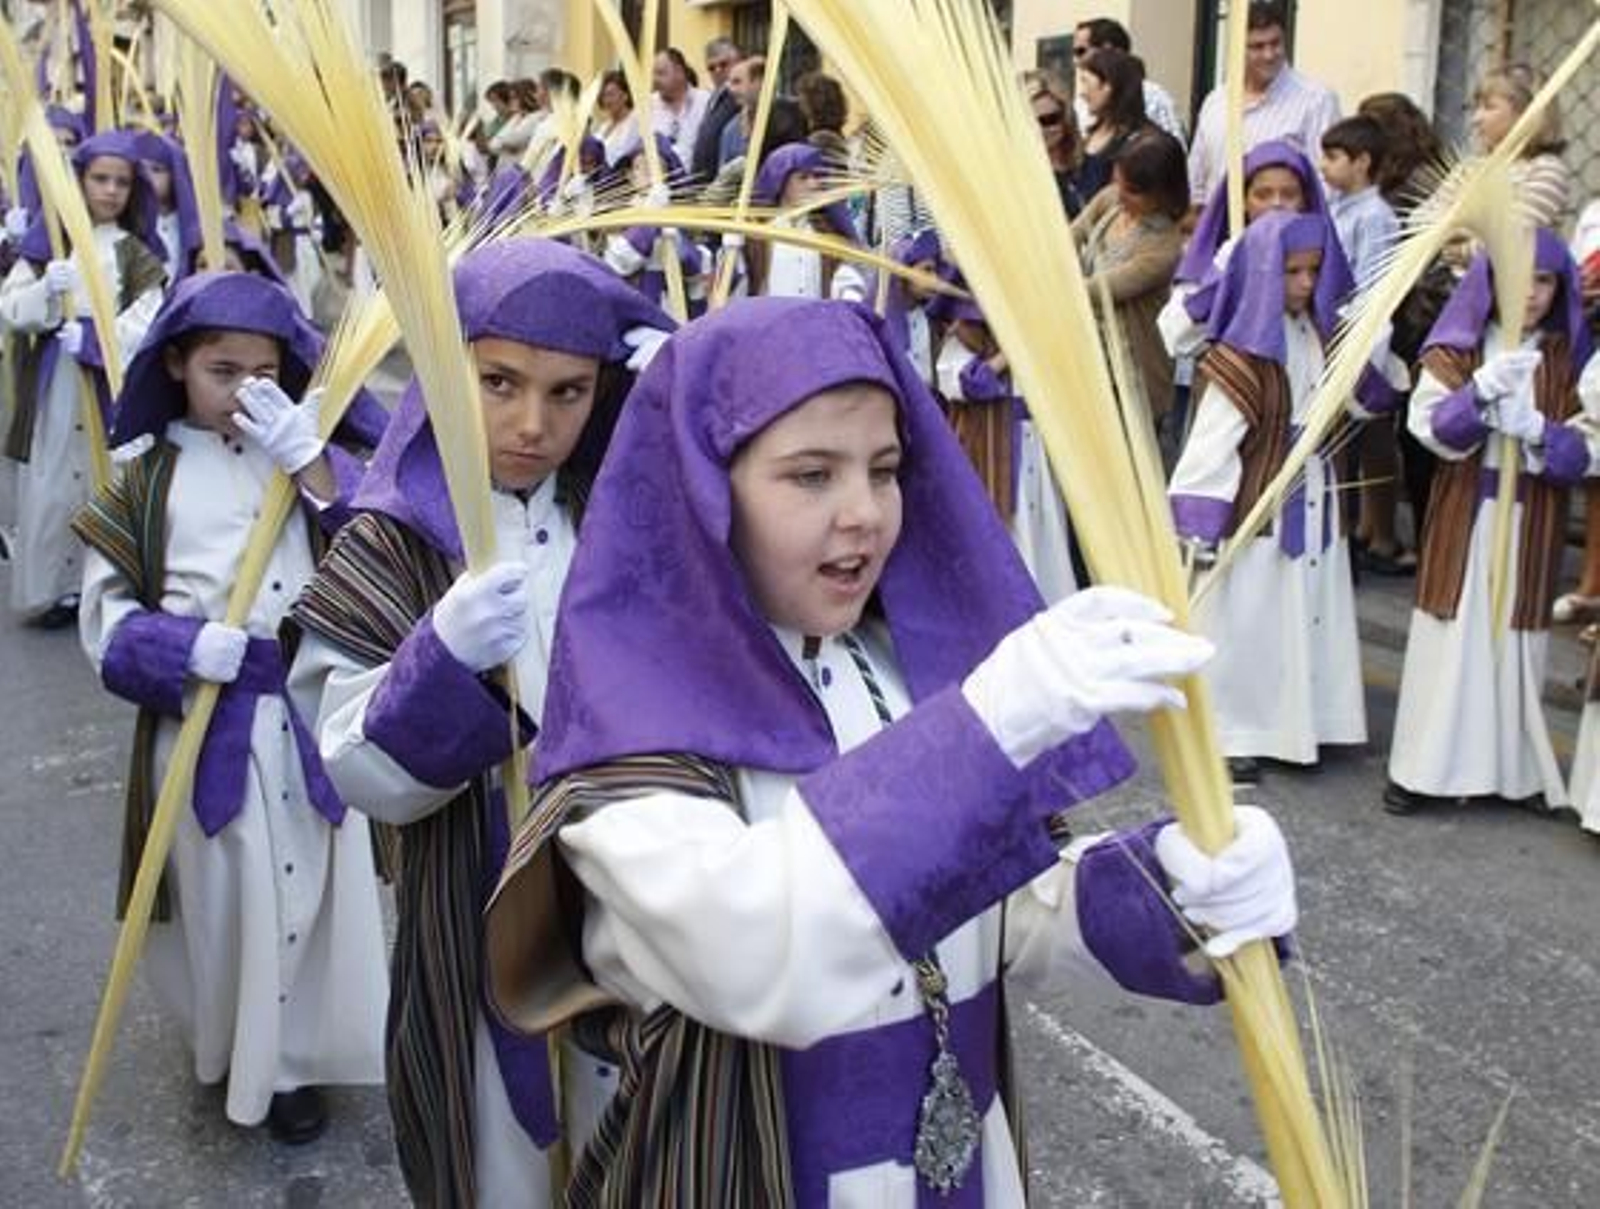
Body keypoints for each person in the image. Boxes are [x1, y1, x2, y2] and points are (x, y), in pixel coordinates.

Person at [481, 296, 1296, 1206]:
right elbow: (759, 950)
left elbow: (995, 913)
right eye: (810, 476)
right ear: (703, 491)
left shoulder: (897, 673)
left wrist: (1170, 887)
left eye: (885, 468)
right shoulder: (635, 737)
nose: (864, 513)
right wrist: (989, 728)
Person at [289, 239, 676, 1206]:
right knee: (494, 1153)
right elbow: (350, 764)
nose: (531, 423)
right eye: (498, 382)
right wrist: (438, 659)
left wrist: (692, 411)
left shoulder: (629, 513)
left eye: (569, 391)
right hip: (471, 902)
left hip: (633, 906)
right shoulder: (395, 534)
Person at [72, 270, 391, 1144]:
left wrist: (314, 464)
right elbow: (105, 622)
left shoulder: (302, 457)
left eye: (265, 372)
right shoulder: (144, 481)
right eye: (223, 370)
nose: (246, 392)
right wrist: (177, 649)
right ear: (176, 363)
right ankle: (231, 1047)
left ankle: (292, 1061)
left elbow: (377, 547)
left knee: (312, 890)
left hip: (301, 714)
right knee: (227, 898)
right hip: (209, 724)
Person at [1169, 211, 1402, 783]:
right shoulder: (1242, 355)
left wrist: (1371, 347)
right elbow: (1213, 442)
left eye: (1313, 271)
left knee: (1305, 611)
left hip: (1316, 487)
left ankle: (1306, 722)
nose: (1304, 283)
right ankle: (1235, 728)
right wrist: (1201, 523)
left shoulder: (1319, 334)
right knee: (1248, 618)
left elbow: (1364, 405)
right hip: (1260, 503)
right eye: (1292, 271)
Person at [1384, 229, 1597, 816]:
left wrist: (1537, 430)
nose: (1529, 293)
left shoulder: (1570, 359)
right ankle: (1422, 769)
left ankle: (1513, 772)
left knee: (1516, 644)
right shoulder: (1457, 348)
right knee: (1452, 639)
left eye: (1544, 281)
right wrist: (1476, 396)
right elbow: (1427, 428)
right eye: (1518, 278)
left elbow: (1588, 450)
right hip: (1467, 511)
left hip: (1533, 515)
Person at [2, 130, 167, 627]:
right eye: (100, 179)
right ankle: (55, 588)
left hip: (109, 383)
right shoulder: (49, 244)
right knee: (54, 480)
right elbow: (9, 309)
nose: (111, 190)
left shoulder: (134, 252)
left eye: (121, 181)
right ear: (79, 181)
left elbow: (150, 319)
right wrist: (45, 297)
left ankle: (105, 585)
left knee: (107, 478)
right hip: (57, 384)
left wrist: (98, 341)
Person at [937, 294, 1080, 603]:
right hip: (990, 445)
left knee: (1043, 526)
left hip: (1036, 445)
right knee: (1007, 529)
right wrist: (1007, 355)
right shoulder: (967, 332)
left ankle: (1047, 601)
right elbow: (961, 386)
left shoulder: (1042, 334)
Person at [1073, 129, 1188, 457]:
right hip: (1089, 362)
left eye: (1133, 191)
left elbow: (1099, 291)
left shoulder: (1164, 247)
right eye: (1118, 181)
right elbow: (1072, 235)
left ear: (1163, 193)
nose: (1121, 195)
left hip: (1133, 380)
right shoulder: (1110, 201)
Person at [1186, 0, 1341, 205]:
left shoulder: (1316, 100)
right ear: (1237, 48)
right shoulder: (1216, 102)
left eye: (1275, 44)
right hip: (1222, 231)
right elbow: (1197, 181)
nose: (1269, 55)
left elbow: (1327, 184)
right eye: (1257, 47)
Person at [744, 143, 868, 302]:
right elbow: (741, 284)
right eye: (803, 177)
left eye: (816, 177)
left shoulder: (825, 233)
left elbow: (843, 276)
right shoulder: (757, 237)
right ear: (780, 183)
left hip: (814, 322)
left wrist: (850, 295)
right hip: (770, 323)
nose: (813, 184)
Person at [1071, 16, 1186, 143]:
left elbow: (1176, 152)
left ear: (1108, 49)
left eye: (1080, 51)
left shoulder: (1153, 96)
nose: (1075, 61)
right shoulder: (1082, 102)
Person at [1073, 48, 1150, 204]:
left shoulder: (1139, 142)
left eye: (1086, 82)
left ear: (1109, 86)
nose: (1082, 93)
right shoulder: (1091, 133)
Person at [1028, 70, 1084, 218]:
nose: (1040, 130)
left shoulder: (1094, 169)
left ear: (1066, 117)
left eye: (1049, 120)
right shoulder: (1006, 172)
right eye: (1029, 121)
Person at [690, 36, 744, 184]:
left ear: (740, 62)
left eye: (724, 64)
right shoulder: (714, 96)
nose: (717, 70)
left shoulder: (744, 94)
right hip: (704, 186)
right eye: (711, 68)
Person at [650, 48, 710, 171]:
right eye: (654, 74)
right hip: (659, 186)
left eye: (661, 73)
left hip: (697, 184)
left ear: (679, 71)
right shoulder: (647, 105)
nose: (655, 80)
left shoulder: (705, 101)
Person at [593, 69, 638, 168]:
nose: (607, 100)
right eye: (604, 95)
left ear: (625, 96)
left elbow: (622, 155)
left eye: (611, 94)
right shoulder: (604, 126)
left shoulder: (634, 122)